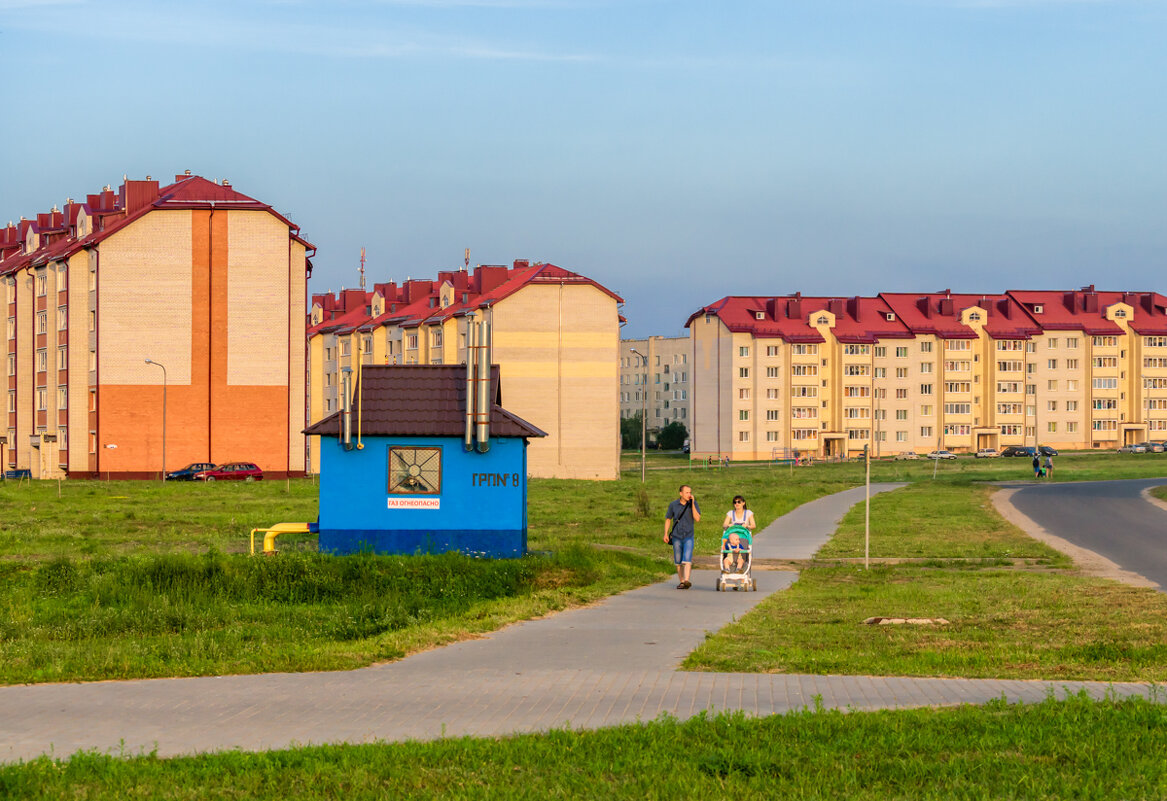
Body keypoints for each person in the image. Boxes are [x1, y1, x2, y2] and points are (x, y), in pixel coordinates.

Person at [664, 484, 701, 589]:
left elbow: (697, 518)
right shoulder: (673, 505)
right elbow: (668, 519)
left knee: (687, 559)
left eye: (690, 492)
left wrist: (692, 503)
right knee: (678, 560)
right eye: (687, 492)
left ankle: (686, 580)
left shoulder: (693, 504)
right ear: (681, 493)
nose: (689, 494)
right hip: (676, 536)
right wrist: (666, 533)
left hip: (688, 535)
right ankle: (681, 581)